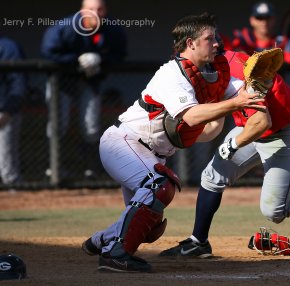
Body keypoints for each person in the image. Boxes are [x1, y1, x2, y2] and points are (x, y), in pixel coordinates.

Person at [80, 12, 266, 272]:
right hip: (124, 143)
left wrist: (258, 84)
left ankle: (101, 241)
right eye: (209, 38)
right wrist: (234, 103)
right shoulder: (173, 74)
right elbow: (191, 115)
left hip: (151, 154)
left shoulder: (212, 74)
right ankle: (115, 254)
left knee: (150, 225)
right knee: (160, 186)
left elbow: (243, 94)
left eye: (216, 38)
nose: (217, 43)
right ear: (190, 43)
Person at [159, 49, 290, 258]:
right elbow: (215, 126)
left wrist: (232, 145)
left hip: (283, 132)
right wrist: (187, 136)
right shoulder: (209, 71)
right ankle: (198, 242)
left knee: (275, 212)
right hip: (250, 128)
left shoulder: (238, 68)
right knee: (212, 177)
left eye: (184, 65)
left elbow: (263, 122)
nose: (183, 71)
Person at [41, 0, 127, 178]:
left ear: (105, 11)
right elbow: (48, 52)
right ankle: (53, 169)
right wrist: (76, 59)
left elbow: (120, 54)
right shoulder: (65, 27)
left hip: (89, 82)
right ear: (82, 11)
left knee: (91, 127)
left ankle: (91, 170)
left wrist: (101, 58)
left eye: (100, 9)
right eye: (91, 9)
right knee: (58, 125)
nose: (95, 13)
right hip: (61, 83)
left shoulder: (112, 29)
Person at [231, 1, 290, 102]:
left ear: (273, 20)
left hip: (277, 94)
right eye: (259, 18)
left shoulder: (282, 42)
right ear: (252, 20)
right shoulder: (243, 40)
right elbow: (239, 58)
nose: (264, 22)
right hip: (247, 94)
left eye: (268, 18)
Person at [0, 36, 26, 186]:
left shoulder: (7, 47)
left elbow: (18, 81)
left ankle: (13, 188)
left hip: (4, 108)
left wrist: (9, 109)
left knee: (6, 155)